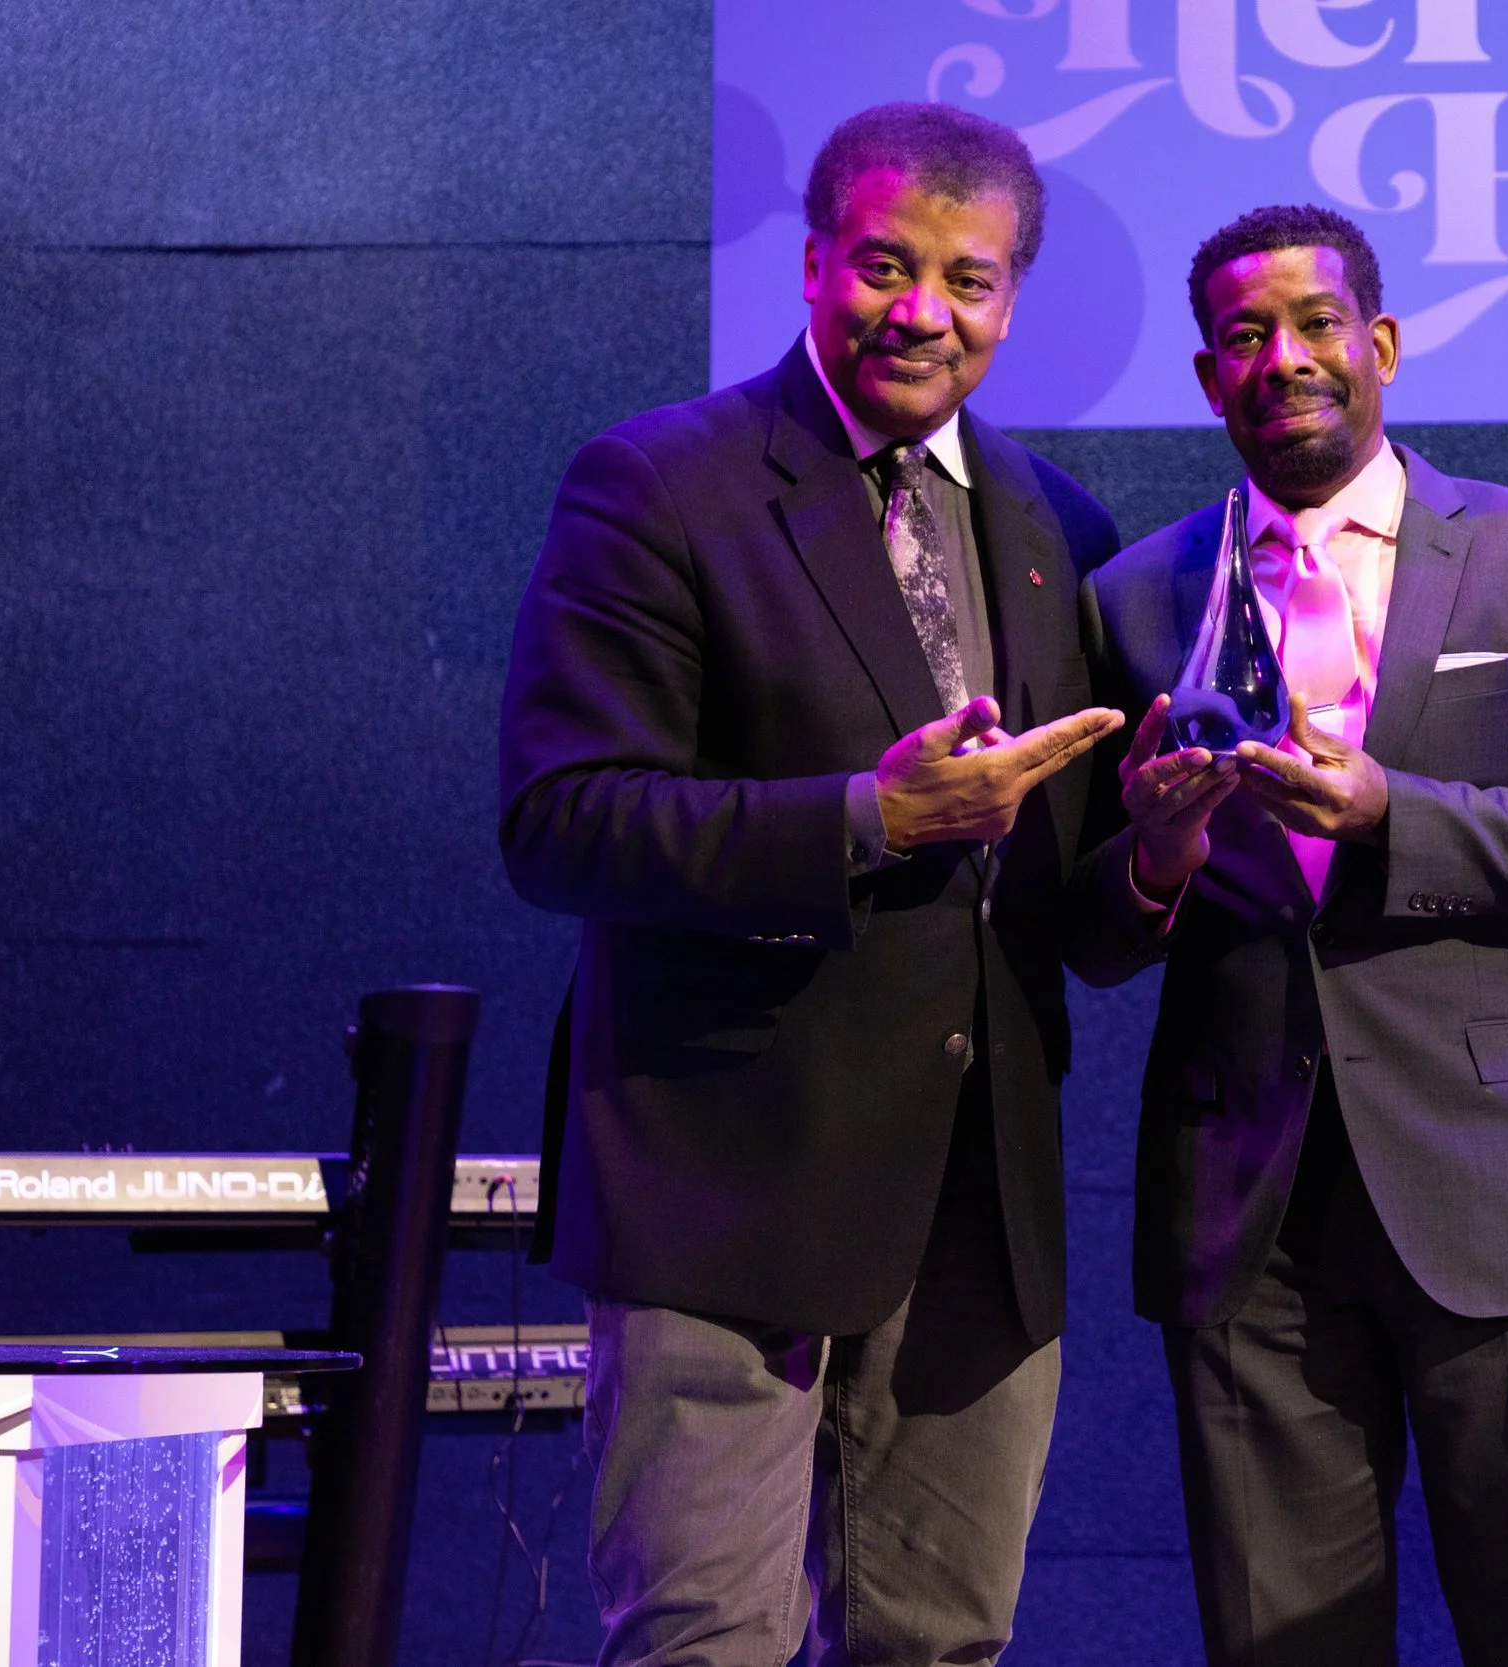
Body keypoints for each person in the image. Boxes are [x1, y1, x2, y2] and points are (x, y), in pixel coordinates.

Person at [498, 103, 1122, 1667]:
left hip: (977, 1206)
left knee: (943, 1646)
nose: (923, 311)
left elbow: (1067, 902)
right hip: (727, 1180)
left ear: (1012, 300)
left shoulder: (1059, 526)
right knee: (705, 1645)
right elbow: (562, 819)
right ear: (812, 264)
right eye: (885, 265)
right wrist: (867, 816)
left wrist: (1165, 856)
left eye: (969, 280)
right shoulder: (660, 483)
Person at [1069, 204, 1508, 1666]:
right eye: (1244, 336)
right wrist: (1157, 853)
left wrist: (1390, 812)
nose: (1283, 357)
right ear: (1208, 377)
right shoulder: (1135, 595)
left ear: (1385, 345)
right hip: (1247, 1213)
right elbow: (1089, 930)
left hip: (1507, 1200)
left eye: (1315, 323)